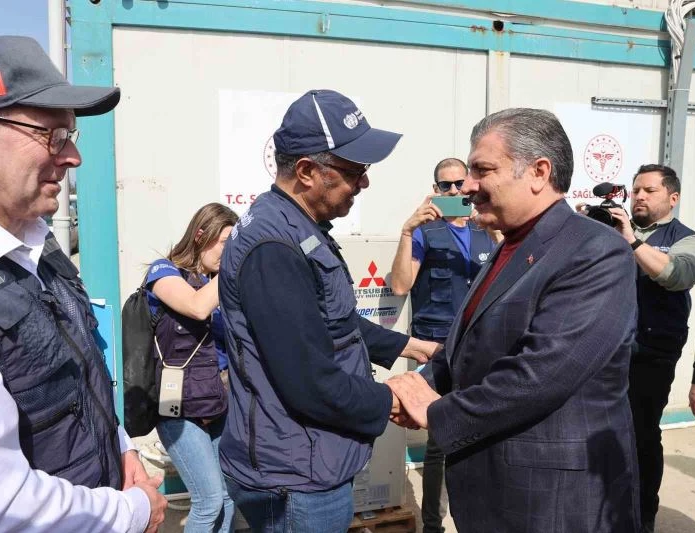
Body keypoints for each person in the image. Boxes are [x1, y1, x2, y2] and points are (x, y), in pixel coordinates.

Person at [0, 36, 166, 532]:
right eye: (53, 136)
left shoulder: (36, 244)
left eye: (71, 136)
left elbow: (78, 371)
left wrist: (121, 448)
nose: (73, 157)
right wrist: (134, 512)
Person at [387, 108, 641, 533]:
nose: (468, 186)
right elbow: (463, 351)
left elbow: (543, 373)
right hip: (494, 491)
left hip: (552, 502)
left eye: (482, 170)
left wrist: (437, 411)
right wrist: (419, 384)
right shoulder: (506, 246)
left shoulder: (595, 251)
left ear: (539, 172)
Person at [217, 89, 440, 532]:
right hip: (296, 476)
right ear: (306, 172)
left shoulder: (297, 226)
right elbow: (309, 382)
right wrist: (393, 399)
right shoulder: (274, 247)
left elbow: (328, 319)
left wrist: (411, 345)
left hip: (308, 458)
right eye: (355, 171)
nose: (365, 182)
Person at [389, 157, 498, 533]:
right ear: (435, 190)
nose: (453, 192)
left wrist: (497, 230)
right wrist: (407, 232)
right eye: (444, 186)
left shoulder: (487, 227)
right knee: (438, 442)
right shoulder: (425, 231)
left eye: (459, 184)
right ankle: (433, 526)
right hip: (436, 350)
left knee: (482, 437)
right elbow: (401, 285)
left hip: (481, 346)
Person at [602, 164, 695, 533]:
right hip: (604, 350)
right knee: (599, 430)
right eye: (636, 191)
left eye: (649, 190)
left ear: (672, 197)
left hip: (650, 354)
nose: (640, 197)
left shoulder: (689, 239)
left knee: (641, 433)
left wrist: (631, 240)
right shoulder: (610, 229)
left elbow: (675, 275)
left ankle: (642, 514)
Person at [146, 203, 238, 533]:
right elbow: (197, 308)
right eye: (227, 242)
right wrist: (234, 265)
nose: (230, 252)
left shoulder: (220, 283)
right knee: (209, 499)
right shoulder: (163, 273)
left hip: (219, 398)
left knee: (228, 497)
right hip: (179, 405)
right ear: (201, 235)